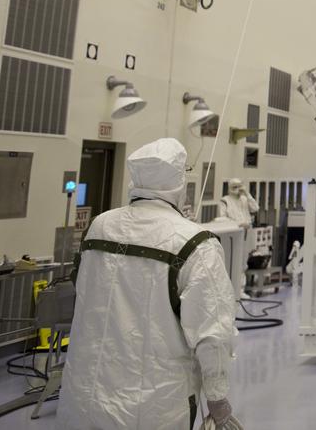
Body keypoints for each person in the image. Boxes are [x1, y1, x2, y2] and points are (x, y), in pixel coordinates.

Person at [61, 138, 240, 430]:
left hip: (85, 397)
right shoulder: (195, 243)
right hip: (155, 406)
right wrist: (218, 401)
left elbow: (85, 293)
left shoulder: (100, 227)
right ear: (179, 180)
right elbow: (212, 334)